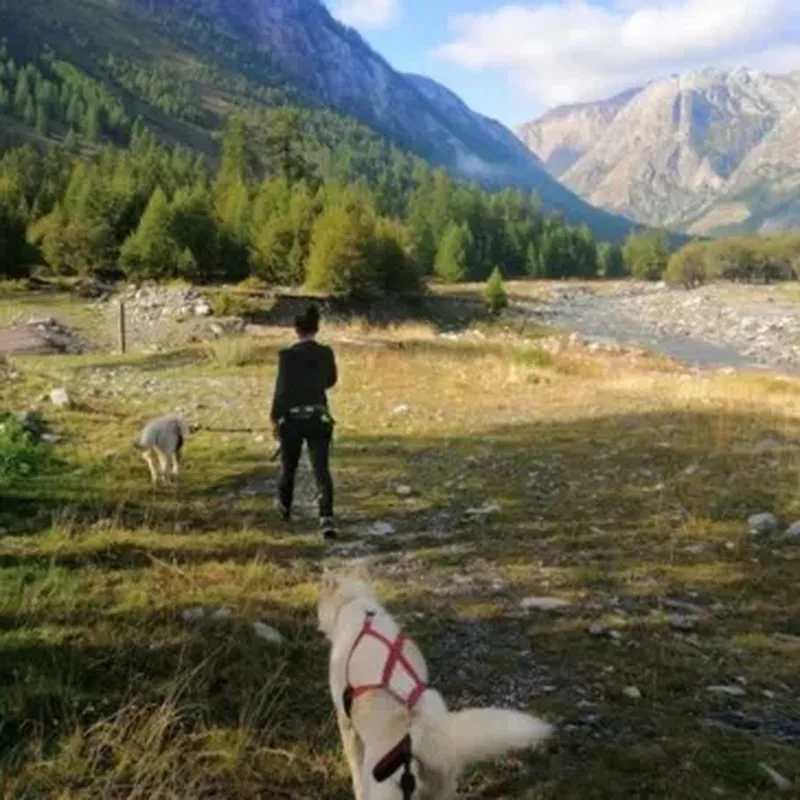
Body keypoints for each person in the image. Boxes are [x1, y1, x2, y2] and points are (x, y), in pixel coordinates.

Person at [270, 304, 338, 539]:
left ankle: (285, 508)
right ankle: (326, 518)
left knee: (289, 467)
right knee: (321, 469)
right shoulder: (326, 352)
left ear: (295, 329)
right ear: (316, 329)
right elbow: (331, 381)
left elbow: (281, 391)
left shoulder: (287, 356)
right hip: (319, 416)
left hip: (293, 418)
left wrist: (274, 419)